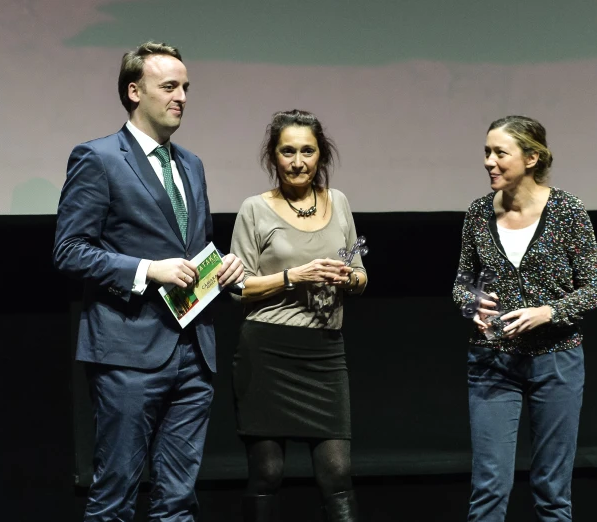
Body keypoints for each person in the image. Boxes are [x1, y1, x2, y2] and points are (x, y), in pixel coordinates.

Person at [53, 41, 244, 522]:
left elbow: (191, 249)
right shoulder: (98, 159)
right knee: (115, 496)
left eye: (185, 87)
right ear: (134, 91)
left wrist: (224, 267)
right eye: (169, 86)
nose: (181, 96)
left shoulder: (192, 164)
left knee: (178, 499)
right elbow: (70, 250)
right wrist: (145, 269)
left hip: (194, 351)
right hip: (127, 349)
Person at [453, 115, 597, 521]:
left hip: (556, 360)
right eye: (486, 152)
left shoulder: (566, 210)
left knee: (552, 491)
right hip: (492, 362)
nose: (489, 161)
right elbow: (461, 284)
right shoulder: (477, 213)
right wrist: (472, 304)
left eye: (500, 153)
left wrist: (550, 311)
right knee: (488, 487)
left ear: (532, 157)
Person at [230, 110, 367, 522]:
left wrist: (349, 279)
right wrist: (294, 276)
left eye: (307, 151)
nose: (298, 161)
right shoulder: (254, 209)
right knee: (267, 473)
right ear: (273, 157)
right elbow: (238, 287)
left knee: (337, 473)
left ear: (320, 154)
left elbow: (360, 269)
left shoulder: (338, 201)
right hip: (267, 352)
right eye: (287, 151)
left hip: (324, 353)